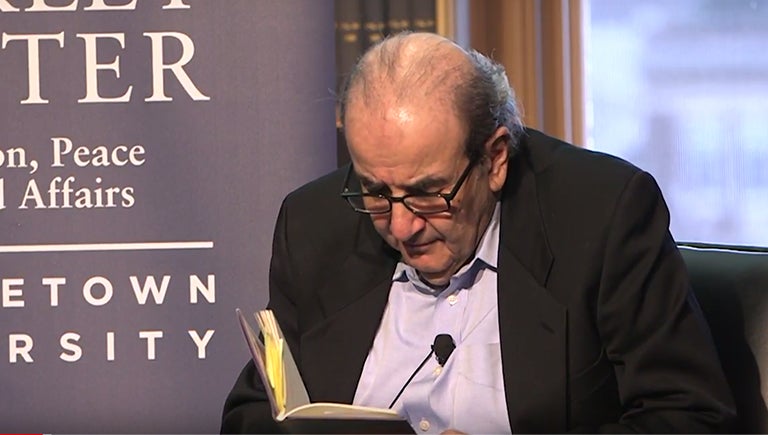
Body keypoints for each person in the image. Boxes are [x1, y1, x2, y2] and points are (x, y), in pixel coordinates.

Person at [221, 32, 736, 433]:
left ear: (494, 158)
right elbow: (253, 413)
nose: (401, 226)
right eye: (375, 190)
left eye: (429, 192)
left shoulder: (602, 215)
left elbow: (690, 419)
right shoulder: (314, 223)